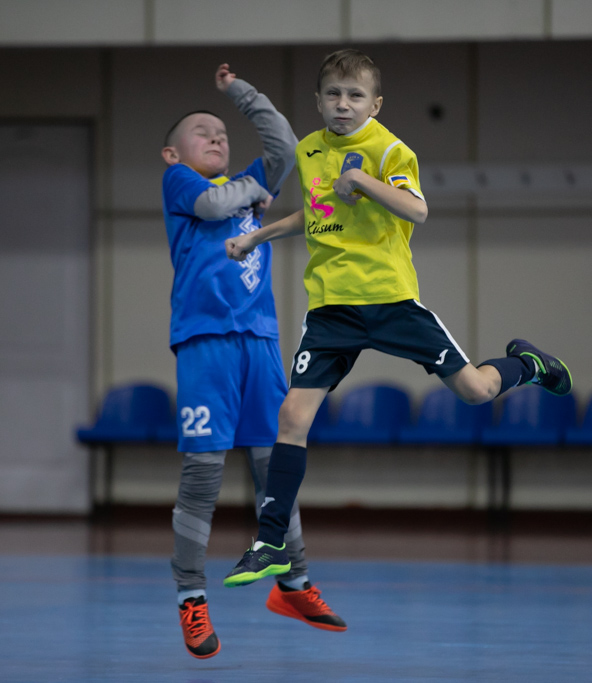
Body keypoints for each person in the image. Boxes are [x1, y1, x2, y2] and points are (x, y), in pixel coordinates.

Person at [222, 49, 573, 588]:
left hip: (390, 299)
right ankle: (271, 543)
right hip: (331, 308)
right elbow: (317, 213)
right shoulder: (311, 150)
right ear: (318, 101)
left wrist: (363, 182)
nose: (344, 104)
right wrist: (256, 236)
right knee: (291, 416)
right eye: (334, 94)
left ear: (375, 104)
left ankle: (528, 364)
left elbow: (417, 209)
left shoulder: (389, 149)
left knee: (476, 391)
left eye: (355, 95)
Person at [161, 64, 345, 660]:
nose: (216, 137)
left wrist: (241, 94)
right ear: (173, 153)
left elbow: (285, 147)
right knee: (204, 475)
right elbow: (214, 205)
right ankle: (191, 597)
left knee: (276, 469)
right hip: (205, 342)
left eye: (222, 132)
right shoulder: (179, 183)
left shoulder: (244, 179)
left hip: (260, 341)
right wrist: (251, 191)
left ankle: (293, 583)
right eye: (202, 131)